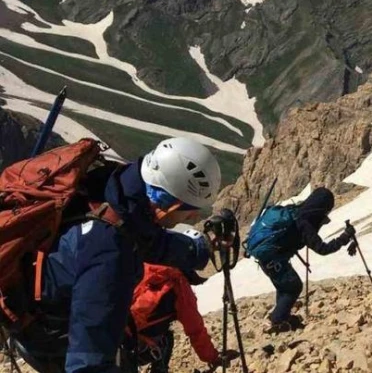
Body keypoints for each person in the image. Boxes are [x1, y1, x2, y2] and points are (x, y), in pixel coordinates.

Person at [12, 137, 220, 373]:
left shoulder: (116, 189)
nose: (192, 219)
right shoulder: (110, 255)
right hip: (51, 337)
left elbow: (145, 238)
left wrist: (197, 251)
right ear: (172, 204)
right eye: (190, 212)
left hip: (43, 312)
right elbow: (88, 364)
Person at [257, 187, 355, 333]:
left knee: (284, 286)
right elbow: (322, 249)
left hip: (266, 257)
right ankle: (277, 321)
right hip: (274, 260)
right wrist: (344, 237)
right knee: (294, 287)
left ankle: (282, 316)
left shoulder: (295, 211)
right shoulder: (305, 223)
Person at [126, 263, 232, 373]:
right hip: (135, 345)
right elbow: (195, 329)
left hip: (114, 336)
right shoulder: (178, 282)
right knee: (166, 339)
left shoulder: (142, 266)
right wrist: (212, 357)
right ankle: (159, 370)